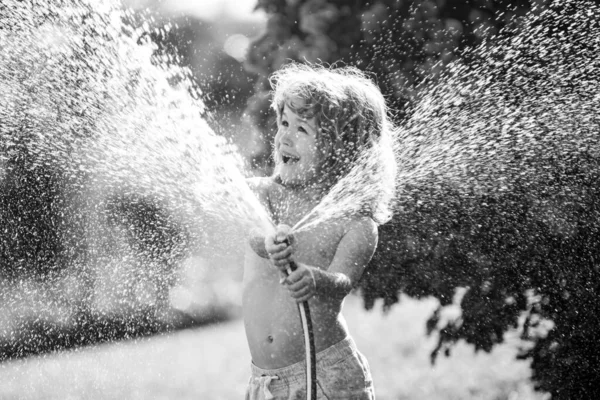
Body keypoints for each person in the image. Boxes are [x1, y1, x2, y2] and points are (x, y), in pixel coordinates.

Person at [244, 62, 397, 400]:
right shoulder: (264, 194)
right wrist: (267, 242)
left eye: (302, 129)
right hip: (264, 383)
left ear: (342, 150)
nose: (284, 135)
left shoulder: (356, 223)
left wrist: (317, 279)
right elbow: (254, 234)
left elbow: (343, 280)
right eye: (283, 122)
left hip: (326, 376)